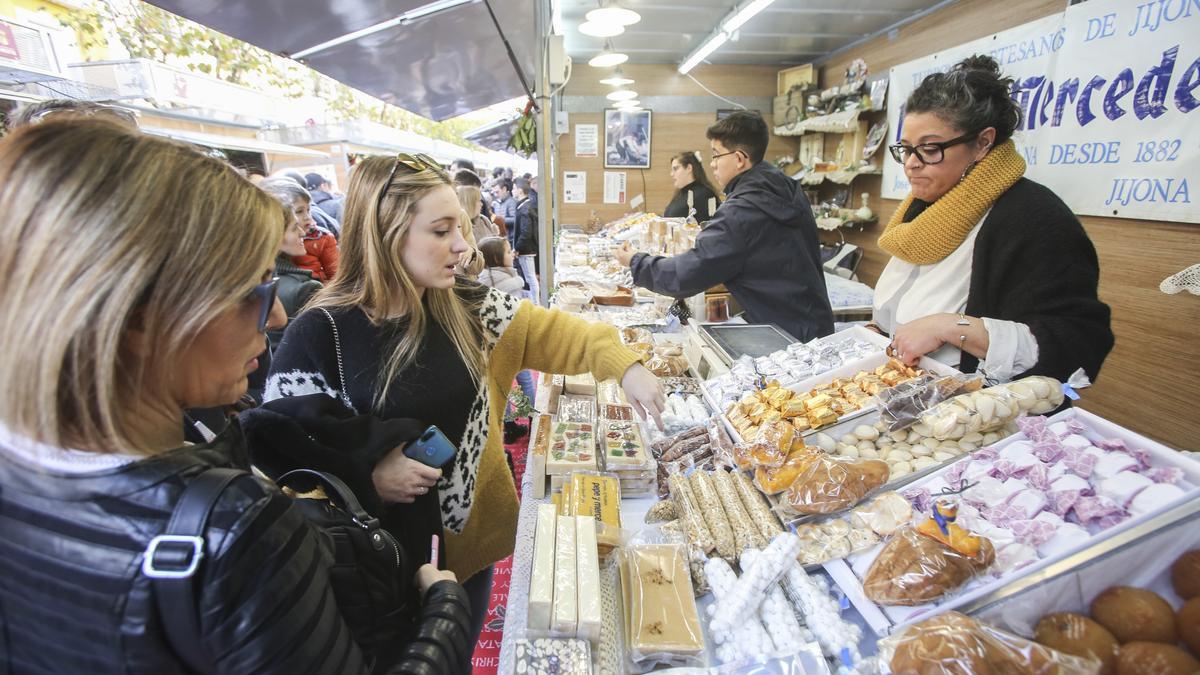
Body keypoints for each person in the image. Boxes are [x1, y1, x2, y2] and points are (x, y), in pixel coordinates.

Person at [0, 119, 471, 674]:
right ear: (139, 317)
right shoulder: (235, 527)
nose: (274, 315)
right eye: (254, 289)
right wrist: (444, 612)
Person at [262, 153, 665, 647]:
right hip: (375, 570)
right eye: (441, 230)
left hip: (469, 552)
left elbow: (562, 333)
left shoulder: (470, 308)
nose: (463, 245)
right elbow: (283, 459)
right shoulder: (319, 334)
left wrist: (626, 365)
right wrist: (365, 475)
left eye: (461, 226)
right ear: (386, 235)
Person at [875, 55, 1113, 382]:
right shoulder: (924, 207)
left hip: (978, 413)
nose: (911, 164)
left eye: (929, 149)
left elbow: (1078, 341)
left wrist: (951, 327)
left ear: (983, 142)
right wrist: (879, 331)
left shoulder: (1034, 217)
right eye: (905, 148)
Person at [614, 111, 834, 342]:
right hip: (815, 324)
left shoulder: (740, 212)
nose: (712, 164)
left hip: (784, 338)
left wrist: (636, 261)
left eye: (717, 155)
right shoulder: (787, 188)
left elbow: (687, 275)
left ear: (739, 159)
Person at [260, 185, 325, 350]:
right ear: (275, 235)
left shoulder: (261, 279)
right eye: (295, 227)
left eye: (308, 210)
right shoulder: (303, 289)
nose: (303, 232)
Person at [476, 236, 537, 406]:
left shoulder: (483, 280)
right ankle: (532, 417)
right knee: (525, 381)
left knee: (501, 385)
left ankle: (509, 424)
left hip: (493, 343)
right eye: (508, 252)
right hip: (513, 339)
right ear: (497, 259)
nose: (513, 254)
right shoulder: (509, 282)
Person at [262, 177, 340, 282]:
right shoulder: (267, 255)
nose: (307, 217)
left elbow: (337, 275)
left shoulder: (322, 238)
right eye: (299, 211)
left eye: (308, 210)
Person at [664, 151, 721, 222]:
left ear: (689, 168)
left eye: (675, 169)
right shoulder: (680, 194)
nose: (671, 174)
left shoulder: (705, 194)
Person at [512, 177, 540, 305]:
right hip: (527, 248)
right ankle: (535, 302)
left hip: (526, 249)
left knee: (530, 278)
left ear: (519, 190)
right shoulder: (526, 205)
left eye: (513, 189)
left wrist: (516, 248)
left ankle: (536, 303)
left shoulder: (525, 208)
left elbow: (525, 232)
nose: (512, 191)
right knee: (531, 277)